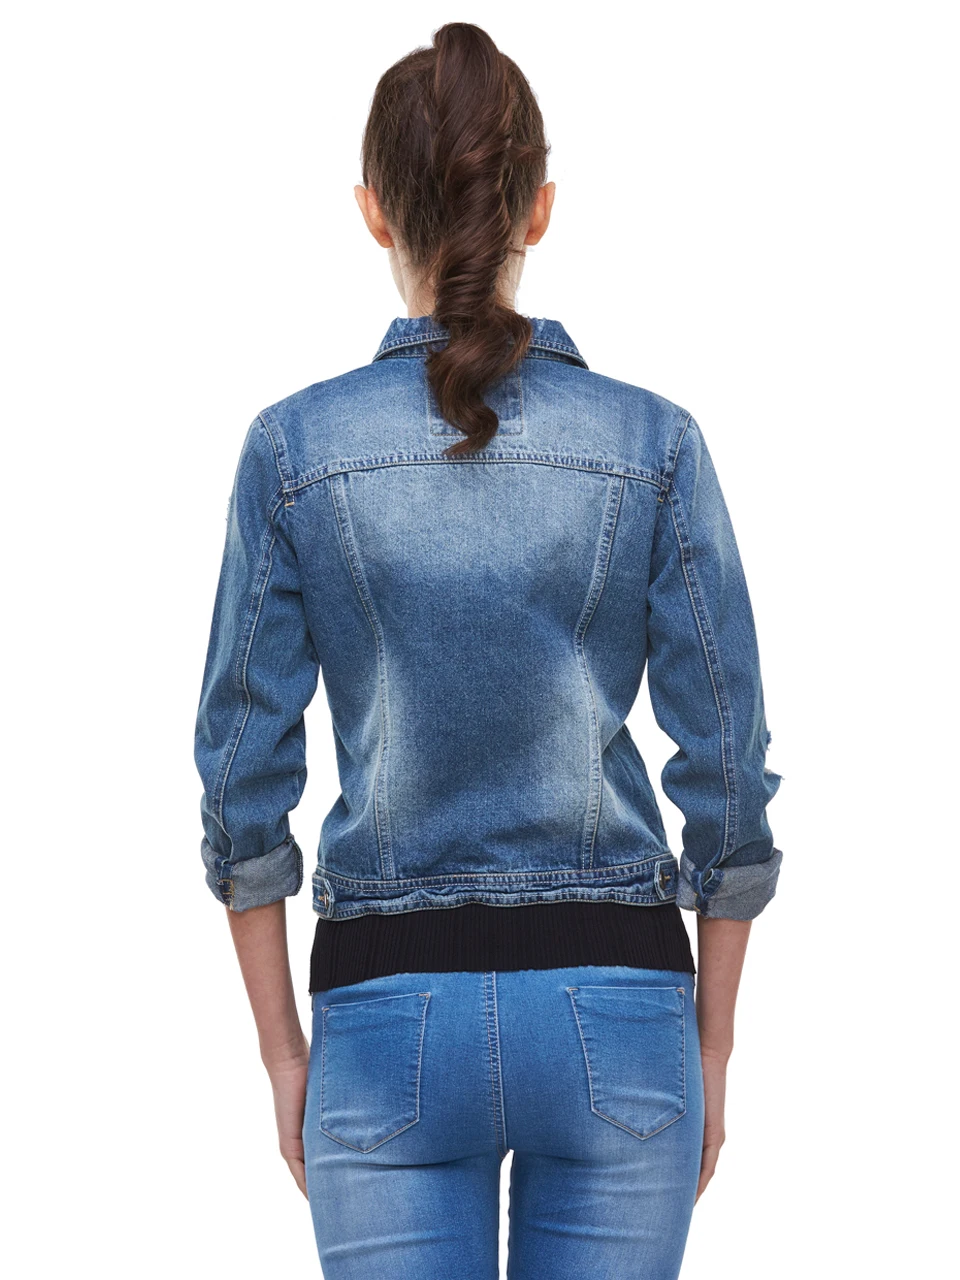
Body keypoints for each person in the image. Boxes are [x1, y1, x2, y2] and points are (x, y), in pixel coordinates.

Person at [194, 21, 784, 1279]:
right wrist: (713, 1043)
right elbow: (728, 777)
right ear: (541, 209)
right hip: (620, 1016)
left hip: (383, 1017)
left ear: (371, 210)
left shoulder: (295, 452)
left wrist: (284, 1052)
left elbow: (241, 784)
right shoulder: (655, 444)